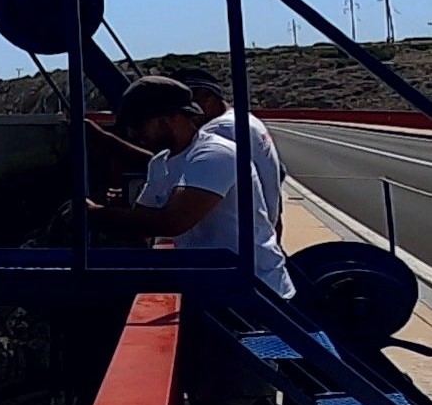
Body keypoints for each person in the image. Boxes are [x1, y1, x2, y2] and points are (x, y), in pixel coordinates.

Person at [92, 75, 294, 297]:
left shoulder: (215, 154)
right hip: (215, 284)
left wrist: (94, 214)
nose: (134, 135)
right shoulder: (160, 163)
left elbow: (173, 222)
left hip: (256, 291)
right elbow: (143, 222)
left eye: (138, 126)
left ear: (167, 120)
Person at [175, 68, 286, 233]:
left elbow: (183, 210)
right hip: (260, 231)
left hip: (236, 241)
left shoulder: (221, 130)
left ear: (206, 97)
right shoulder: (244, 120)